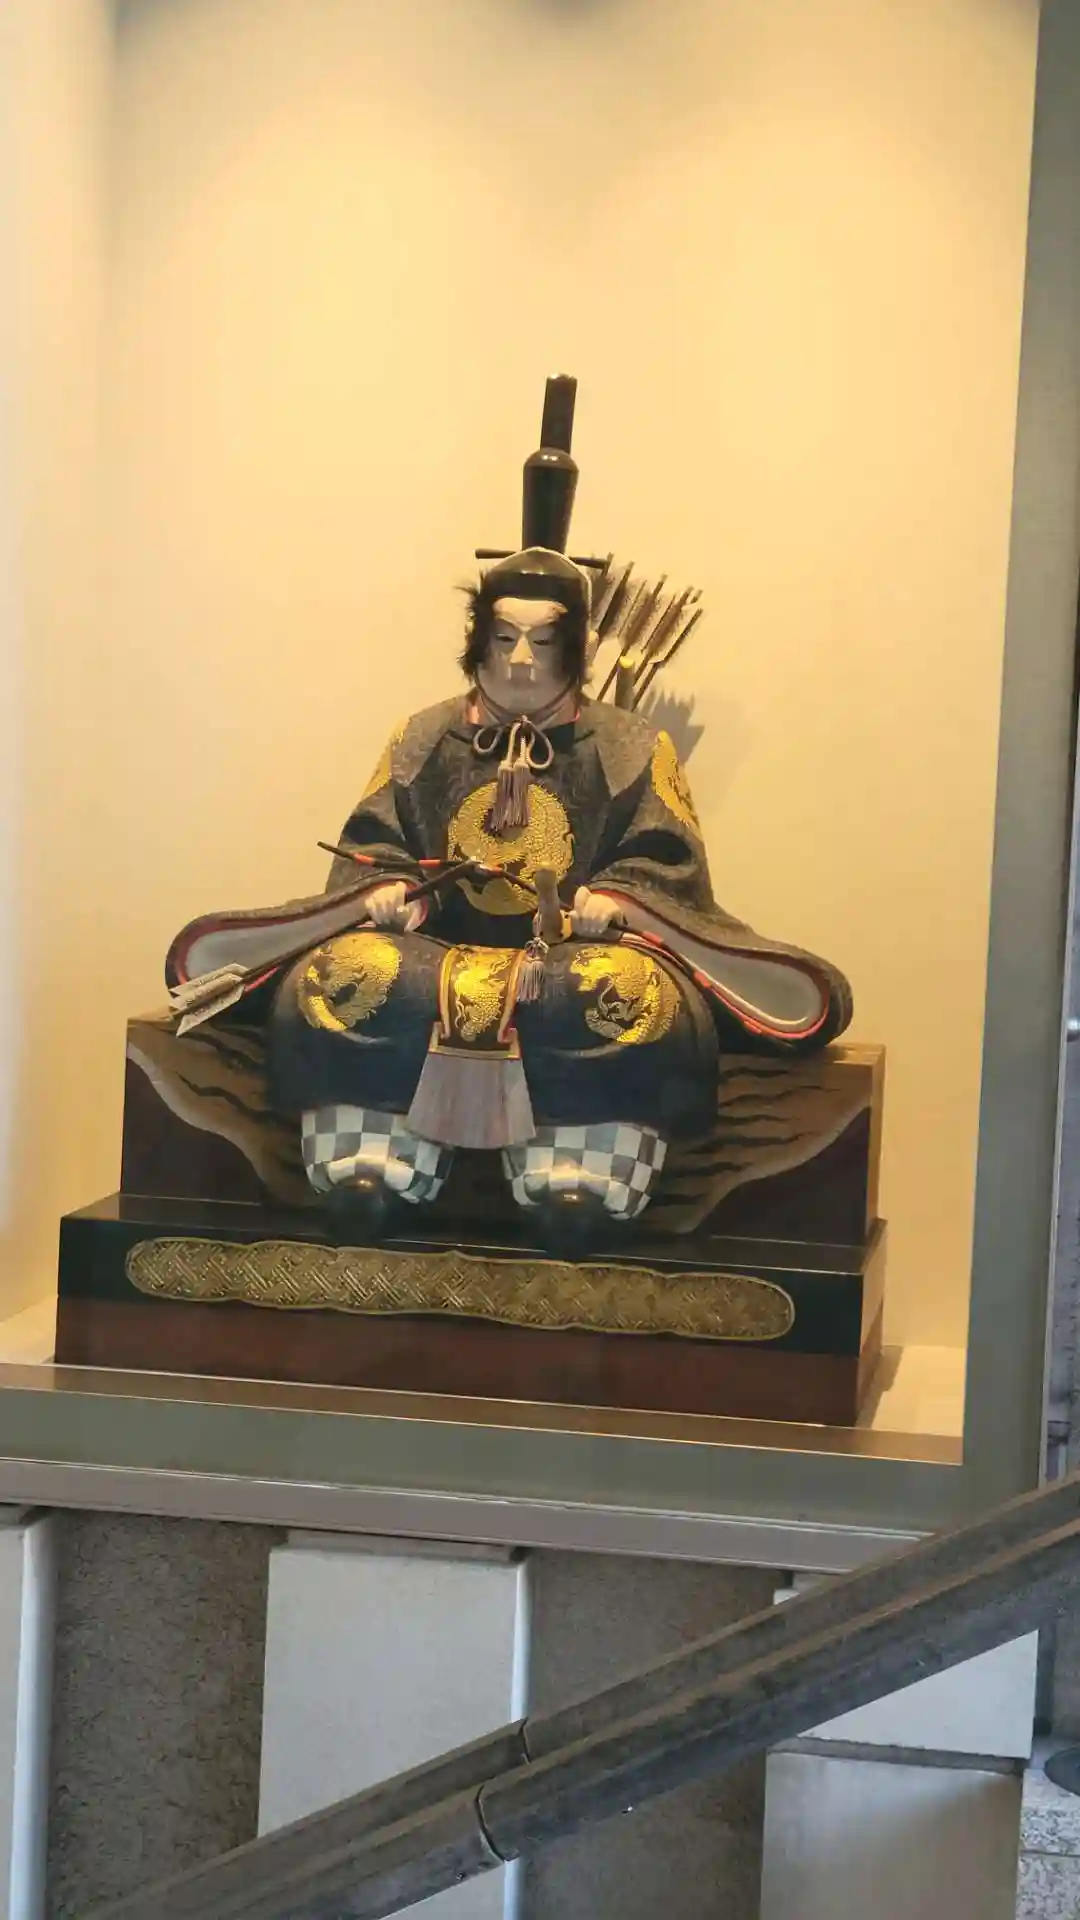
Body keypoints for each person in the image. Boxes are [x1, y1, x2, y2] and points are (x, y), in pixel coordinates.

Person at [166, 380, 851, 1250]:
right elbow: (374, 844)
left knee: (620, 997)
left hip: (564, 964)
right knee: (348, 978)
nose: (522, 659)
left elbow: (667, 864)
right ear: (476, 639)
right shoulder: (424, 735)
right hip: (427, 960)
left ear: (581, 647)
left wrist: (619, 904)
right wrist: (388, 894)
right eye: (504, 638)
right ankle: (373, 1161)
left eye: (544, 640)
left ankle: (579, 1173)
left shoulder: (630, 744)